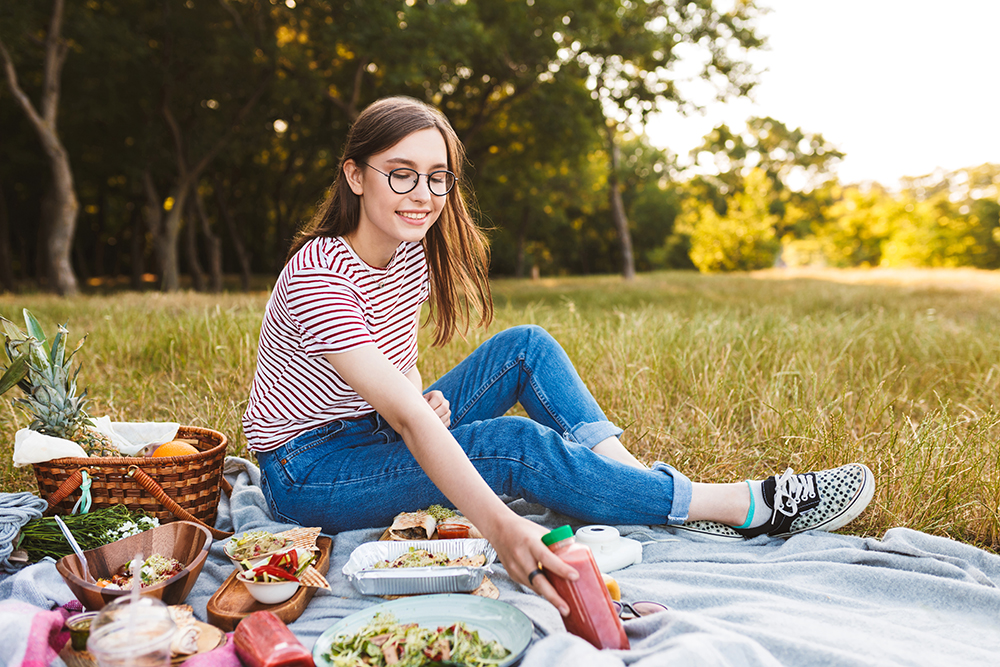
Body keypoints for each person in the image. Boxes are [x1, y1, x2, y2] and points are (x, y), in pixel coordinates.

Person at [242, 96, 876, 616]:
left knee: (526, 347)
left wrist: (423, 395)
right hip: (308, 471)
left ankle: (640, 490)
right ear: (356, 176)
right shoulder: (318, 278)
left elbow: (399, 368)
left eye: (438, 177)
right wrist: (501, 529)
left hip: (375, 428)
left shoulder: (406, 252)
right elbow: (407, 421)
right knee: (513, 446)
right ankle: (742, 505)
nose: (423, 194)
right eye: (401, 173)